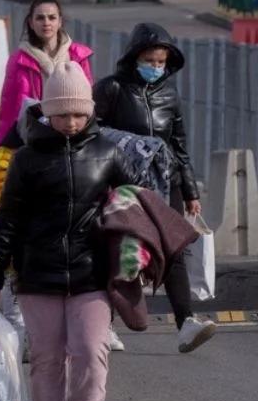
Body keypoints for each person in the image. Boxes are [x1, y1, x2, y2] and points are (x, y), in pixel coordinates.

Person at [0, 63, 135, 401]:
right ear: (47, 111)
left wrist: (136, 257)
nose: (71, 122)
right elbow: (7, 221)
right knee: (46, 358)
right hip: (37, 275)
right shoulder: (26, 160)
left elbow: (134, 206)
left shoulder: (109, 152)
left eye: (79, 114)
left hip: (92, 273)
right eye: (62, 114)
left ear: (90, 112)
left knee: (90, 349)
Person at [92, 22, 216, 354]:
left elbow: (179, 145)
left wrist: (190, 191)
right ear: (134, 57)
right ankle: (104, 324)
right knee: (120, 251)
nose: (155, 67)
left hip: (166, 181)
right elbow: (93, 130)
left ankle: (186, 322)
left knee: (173, 247)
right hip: (124, 183)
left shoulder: (170, 96)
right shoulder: (112, 89)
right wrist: (133, 146)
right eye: (149, 60)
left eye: (161, 61)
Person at [0, 0, 93, 149]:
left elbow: (87, 103)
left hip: (74, 136)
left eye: (52, 17)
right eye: (40, 18)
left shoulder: (78, 56)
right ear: (31, 23)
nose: (46, 22)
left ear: (60, 22)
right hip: (36, 139)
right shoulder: (18, 60)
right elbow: (9, 111)